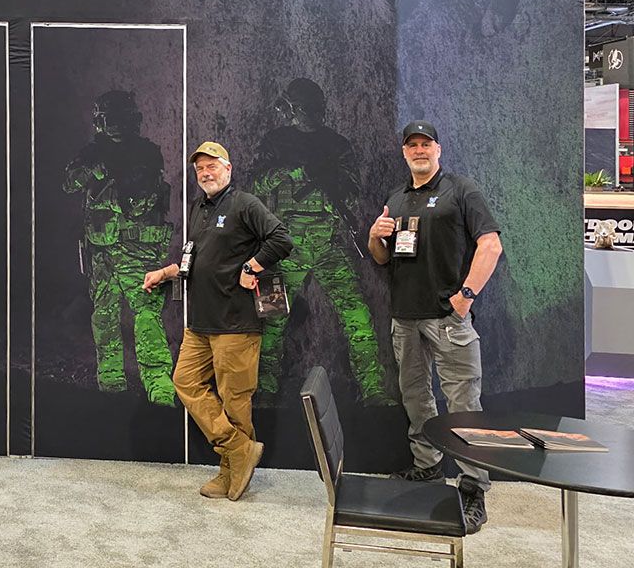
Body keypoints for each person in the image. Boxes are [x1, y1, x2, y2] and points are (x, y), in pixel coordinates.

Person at [367, 120, 503, 534]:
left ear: (438, 149)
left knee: (463, 403)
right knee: (415, 397)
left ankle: (473, 486)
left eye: (426, 144)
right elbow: (382, 258)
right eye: (412, 145)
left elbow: (491, 244)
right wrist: (375, 236)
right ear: (404, 153)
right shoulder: (396, 198)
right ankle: (427, 466)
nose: (419, 150)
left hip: (448, 318)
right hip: (404, 317)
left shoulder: (461, 190)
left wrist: (466, 296)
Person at [144, 142, 293, 500]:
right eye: (200, 169)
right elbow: (194, 257)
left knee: (235, 400)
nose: (205, 173)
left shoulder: (244, 204)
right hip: (200, 323)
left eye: (212, 166)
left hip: (236, 323)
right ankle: (239, 448)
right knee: (185, 381)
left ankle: (231, 471)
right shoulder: (199, 208)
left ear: (228, 169)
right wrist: (166, 272)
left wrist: (251, 267)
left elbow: (281, 239)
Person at [251, 78, 387, 404]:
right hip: (282, 247)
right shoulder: (276, 141)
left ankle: (374, 390)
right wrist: (292, 172)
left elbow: (352, 195)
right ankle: (264, 392)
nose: (306, 114)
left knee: (357, 318)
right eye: (300, 108)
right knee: (270, 321)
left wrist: (330, 186)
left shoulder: (336, 145)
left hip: (328, 243)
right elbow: (255, 184)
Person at [64, 90, 175, 405]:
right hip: (102, 253)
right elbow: (68, 182)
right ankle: (111, 391)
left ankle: (160, 393)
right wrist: (94, 169)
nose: (113, 126)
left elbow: (141, 203)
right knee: (104, 318)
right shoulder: (93, 152)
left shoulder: (146, 153)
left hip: (136, 251)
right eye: (107, 119)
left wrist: (115, 177)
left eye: (118, 119)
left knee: (147, 317)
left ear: (131, 120)